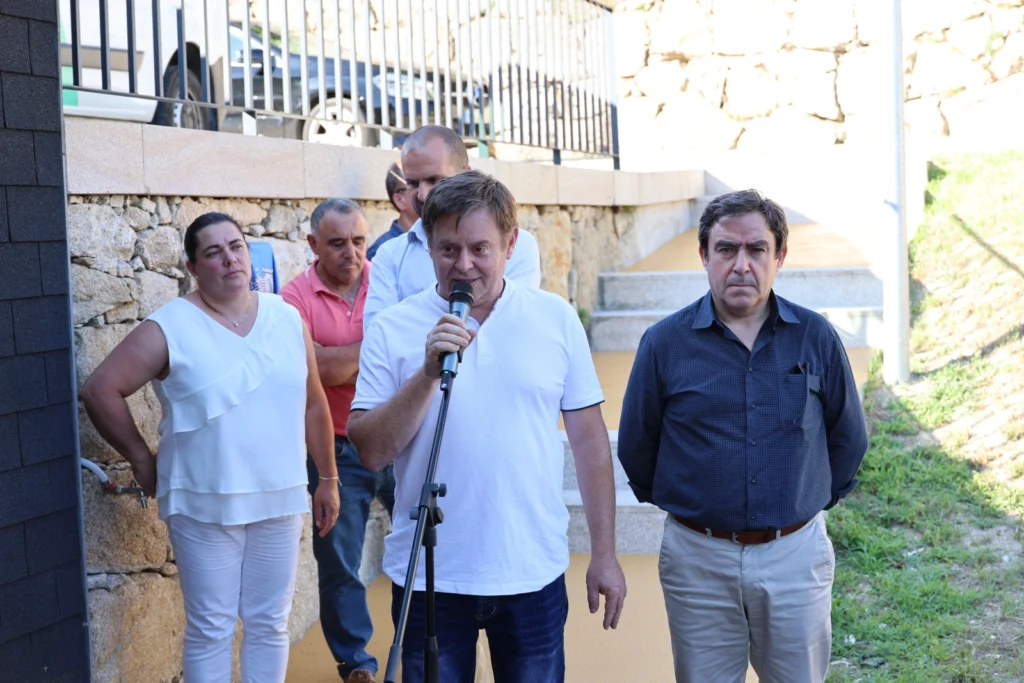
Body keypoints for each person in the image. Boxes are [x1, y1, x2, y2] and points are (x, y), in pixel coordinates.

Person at [347, 170, 627, 683]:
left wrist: (604, 554)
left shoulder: (555, 318)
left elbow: (589, 441)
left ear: (510, 244)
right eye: (448, 249)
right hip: (430, 578)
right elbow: (370, 450)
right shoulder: (392, 327)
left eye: (480, 248)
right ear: (428, 245)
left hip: (530, 571)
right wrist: (426, 374)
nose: (464, 264)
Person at [617, 189, 869, 683]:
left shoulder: (815, 336)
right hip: (698, 560)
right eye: (726, 249)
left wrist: (804, 502)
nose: (741, 264)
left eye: (756, 249)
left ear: (780, 256)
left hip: (795, 556)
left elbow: (848, 437)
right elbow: (637, 445)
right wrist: (694, 508)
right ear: (704, 255)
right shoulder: (664, 344)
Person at [80, 212, 340, 682]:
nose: (230, 259)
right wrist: (140, 457)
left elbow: (314, 403)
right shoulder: (171, 326)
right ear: (193, 267)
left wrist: (327, 478)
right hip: (202, 500)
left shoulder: (286, 317)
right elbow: (101, 389)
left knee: (270, 622)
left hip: (279, 495)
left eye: (236, 246)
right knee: (211, 627)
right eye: (214, 252)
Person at [280, 199, 394, 683]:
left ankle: (415, 648)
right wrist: (378, 347)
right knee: (340, 563)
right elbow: (317, 372)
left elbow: (406, 353)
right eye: (337, 243)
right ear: (313, 244)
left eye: (359, 240)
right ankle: (356, 663)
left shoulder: (387, 281)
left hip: (398, 437)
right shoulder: (293, 298)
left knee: (424, 547)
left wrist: (337, 358)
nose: (352, 252)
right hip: (337, 449)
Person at [363, 125, 542, 329]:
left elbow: (512, 324)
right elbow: (379, 337)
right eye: (412, 183)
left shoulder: (517, 245)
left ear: (465, 174)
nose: (422, 194)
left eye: (434, 180)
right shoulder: (389, 256)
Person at [366, 162, 418, 261]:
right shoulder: (382, 252)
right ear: (400, 200)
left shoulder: (436, 241)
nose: (425, 191)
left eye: (431, 182)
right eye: (415, 185)